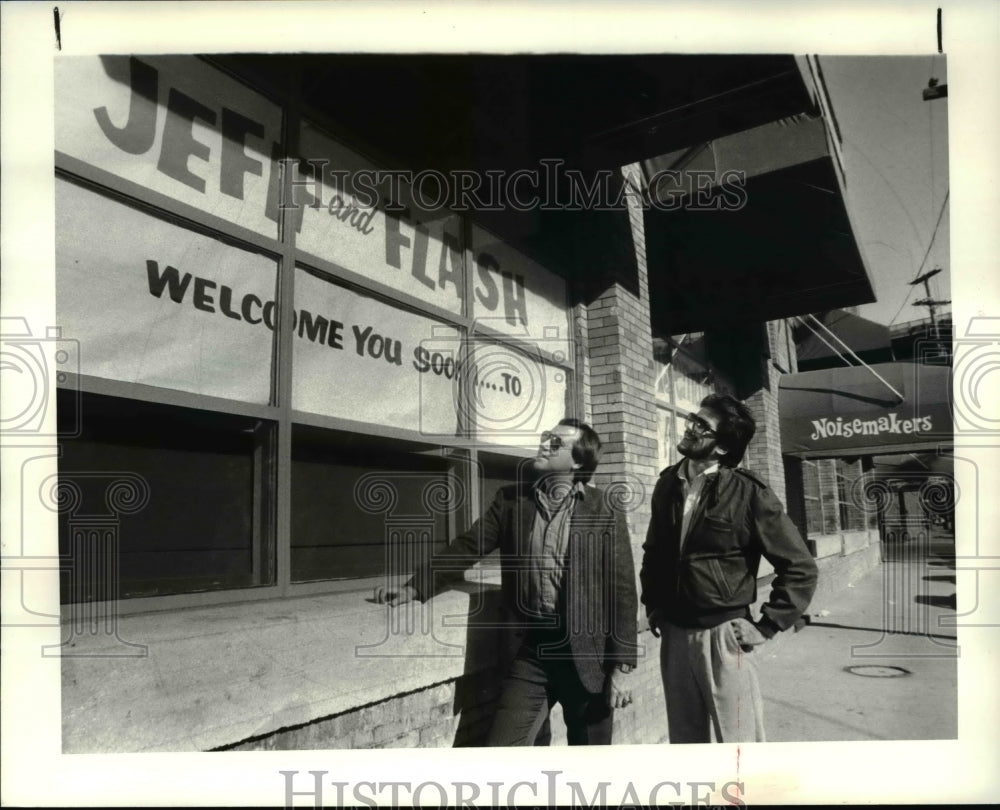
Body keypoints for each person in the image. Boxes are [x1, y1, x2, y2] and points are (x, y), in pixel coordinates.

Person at [376, 418, 639, 746]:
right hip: (531, 653)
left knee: (589, 766)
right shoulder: (512, 501)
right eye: (546, 437)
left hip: (588, 659)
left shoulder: (603, 508)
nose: (544, 444)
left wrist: (621, 668)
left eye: (555, 443)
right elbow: (469, 545)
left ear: (576, 462)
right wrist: (415, 587)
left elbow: (623, 589)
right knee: (502, 751)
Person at [640, 394, 817, 743]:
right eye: (693, 418)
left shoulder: (749, 493)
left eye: (702, 426)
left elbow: (800, 567)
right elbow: (654, 553)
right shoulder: (666, 485)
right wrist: (654, 606)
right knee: (686, 742)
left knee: (738, 745)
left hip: (724, 636)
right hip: (674, 634)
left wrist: (766, 626)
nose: (690, 427)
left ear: (721, 448)